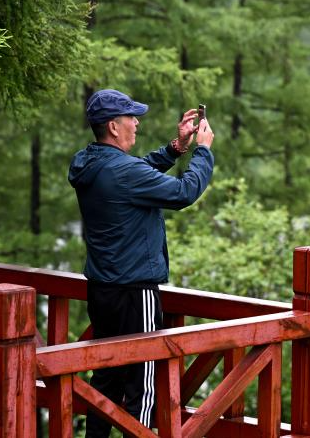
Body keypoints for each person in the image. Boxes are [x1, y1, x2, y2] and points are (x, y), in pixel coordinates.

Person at [68, 88, 214, 436]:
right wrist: (202, 152)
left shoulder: (92, 163)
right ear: (114, 127)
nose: (137, 123)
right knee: (143, 386)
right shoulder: (121, 171)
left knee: (106, 378)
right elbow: (182, 193)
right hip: (136, 292)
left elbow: (134, 172)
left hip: (102, 291)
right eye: (131, 117)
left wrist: (175, 149)